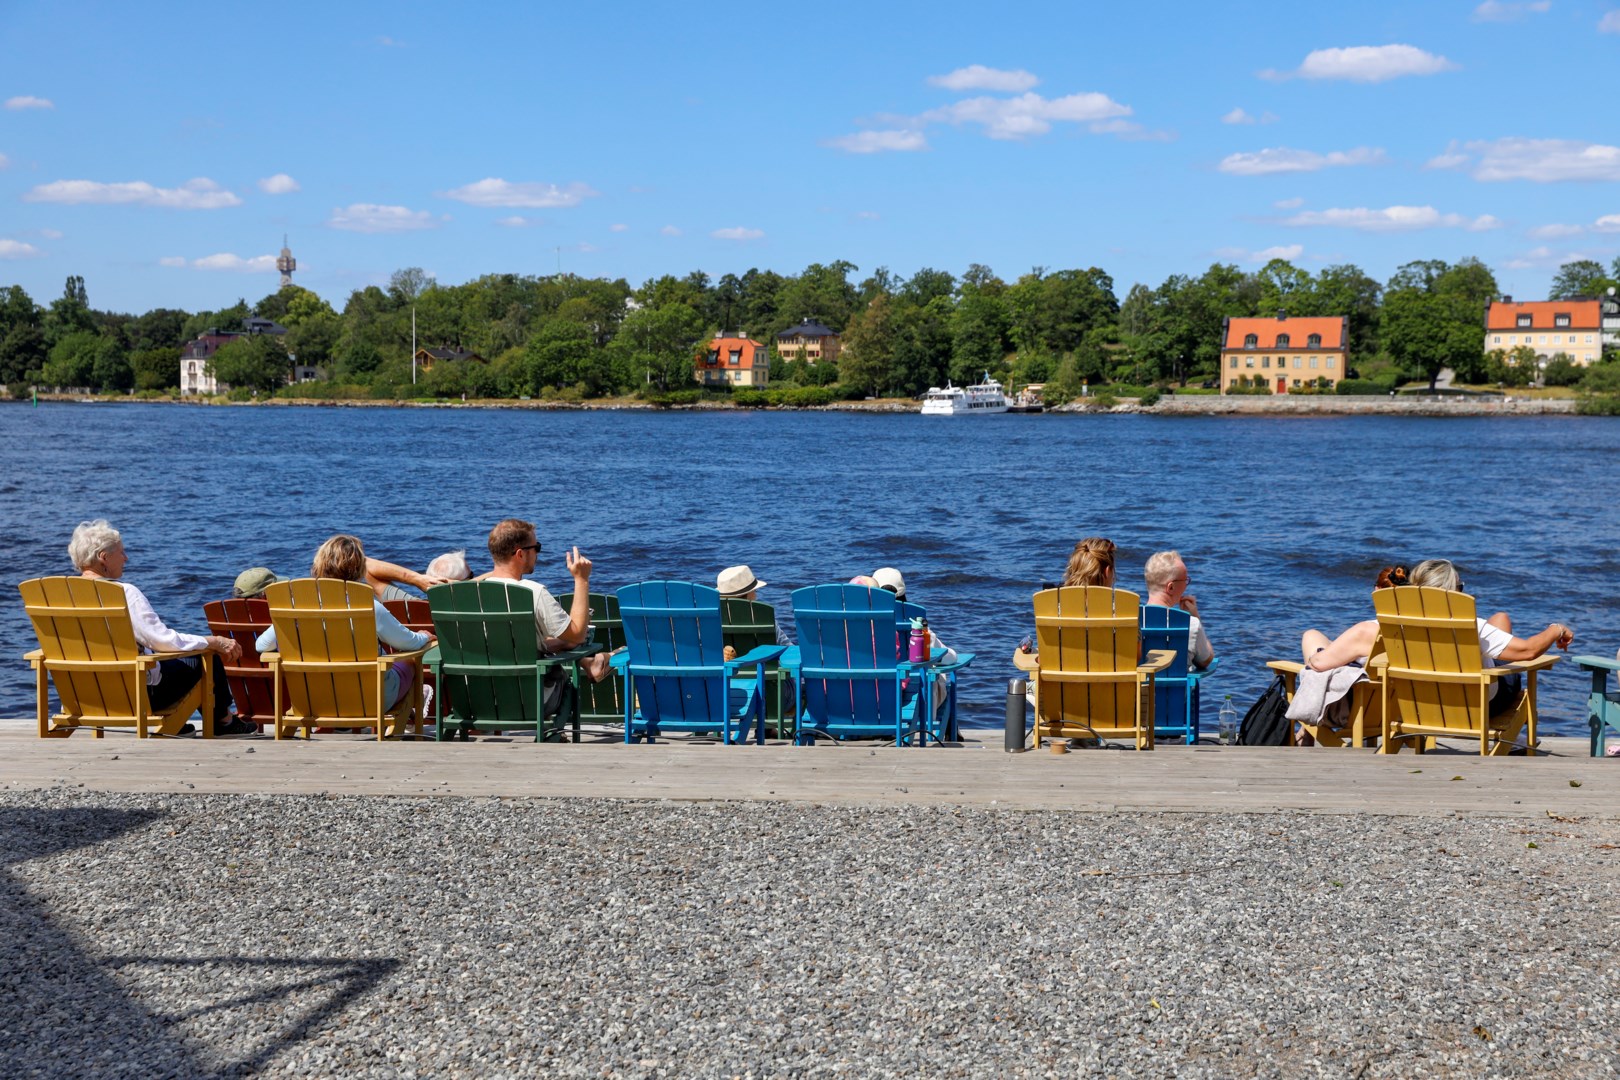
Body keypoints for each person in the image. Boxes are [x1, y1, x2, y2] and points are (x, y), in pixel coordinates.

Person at [1303, 558, 1573, 717]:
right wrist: (1556, 629)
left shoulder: (1382, 628)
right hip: (1478, 705)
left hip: (1419, 703)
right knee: (1501, 630)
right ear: (1453, 593)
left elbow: (1318, 663)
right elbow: (1528, 652)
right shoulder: (1470, 626)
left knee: (1500, 619)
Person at [68, 519, 252, 736]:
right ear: (104, 558)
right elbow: (160, 640)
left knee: (170, 660)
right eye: (121, 552)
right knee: (207, 658)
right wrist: (212, 641)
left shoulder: (62, 595)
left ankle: (177, 722)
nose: (126, 558)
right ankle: (224, 722)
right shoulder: (124, 593)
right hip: (138, 695)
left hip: (86, 694)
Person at [253, 535, 435, 714]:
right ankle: (416, 700)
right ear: (359, 569)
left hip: (315, 699)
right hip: (371, 700)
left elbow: (261, 645)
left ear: (318, 566)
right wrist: (424, 637)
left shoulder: (295, 607)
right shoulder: (369, 607)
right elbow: (408, 643)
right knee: (410, 660)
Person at [484, 518, 610, 687]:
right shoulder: (533, 592)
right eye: (537, 548)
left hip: (480, 696)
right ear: (520, 554)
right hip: (530, 699)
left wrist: (561, 643)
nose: (538, 553)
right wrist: (581, 579)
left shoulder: (471, 594)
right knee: (566, 686)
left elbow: (509, 647)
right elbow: (578, 634)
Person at [1143, 551, 1213, 670]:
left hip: (1138, 688)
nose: (1186, 585)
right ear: (1171, 587)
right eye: (1185, 581)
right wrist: (1196, 617)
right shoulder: (1190, 624)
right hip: (1175, 689)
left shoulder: (1130, 620)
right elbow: (1206, 661)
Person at [716, 565, 792, 645]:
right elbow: (789, 648)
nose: (756, 595)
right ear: (749, 595)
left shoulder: (709, 620)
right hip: (764, 657)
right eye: (755, 591)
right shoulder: (765, 619)